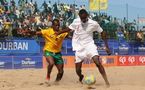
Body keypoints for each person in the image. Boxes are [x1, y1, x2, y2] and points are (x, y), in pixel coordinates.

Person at [58, 9, 111, 87]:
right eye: (82, 19)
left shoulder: (93, 23)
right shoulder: (76, 21)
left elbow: (102, 32)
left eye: (85, 19)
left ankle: (107, 82)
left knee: (97, 62)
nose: (84, 20)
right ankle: (81, 76)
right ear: (79, 17)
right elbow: (68, 29)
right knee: (78, 70)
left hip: (90, 45)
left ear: (87, 16)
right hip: (79, 47)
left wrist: (107, 47)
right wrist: (58, 32)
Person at [29, 19, 68, 83]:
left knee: (61, 71)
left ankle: (56, 82)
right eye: (56, 25)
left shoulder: (62, 33)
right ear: (52, 26)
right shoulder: (48, 31)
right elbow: (36, 33)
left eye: (58, 25)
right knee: (51, 63)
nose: (57, 26)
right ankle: (48, 75)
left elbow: (70, 32)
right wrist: (29, 32)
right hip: (48, 51)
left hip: (58, 53)